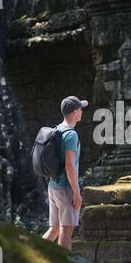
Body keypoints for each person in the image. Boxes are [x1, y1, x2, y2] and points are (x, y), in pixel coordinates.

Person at [42, 96, 87, 251]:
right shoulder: (71, 135)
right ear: (74, 112)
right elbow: (69, 165)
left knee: (54, 228)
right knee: (66, 230)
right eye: (80, 109)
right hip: (66, 188)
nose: (82, 111)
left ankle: (32, 256)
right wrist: (76, 192)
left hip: (53, 186)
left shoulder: (57, 130)